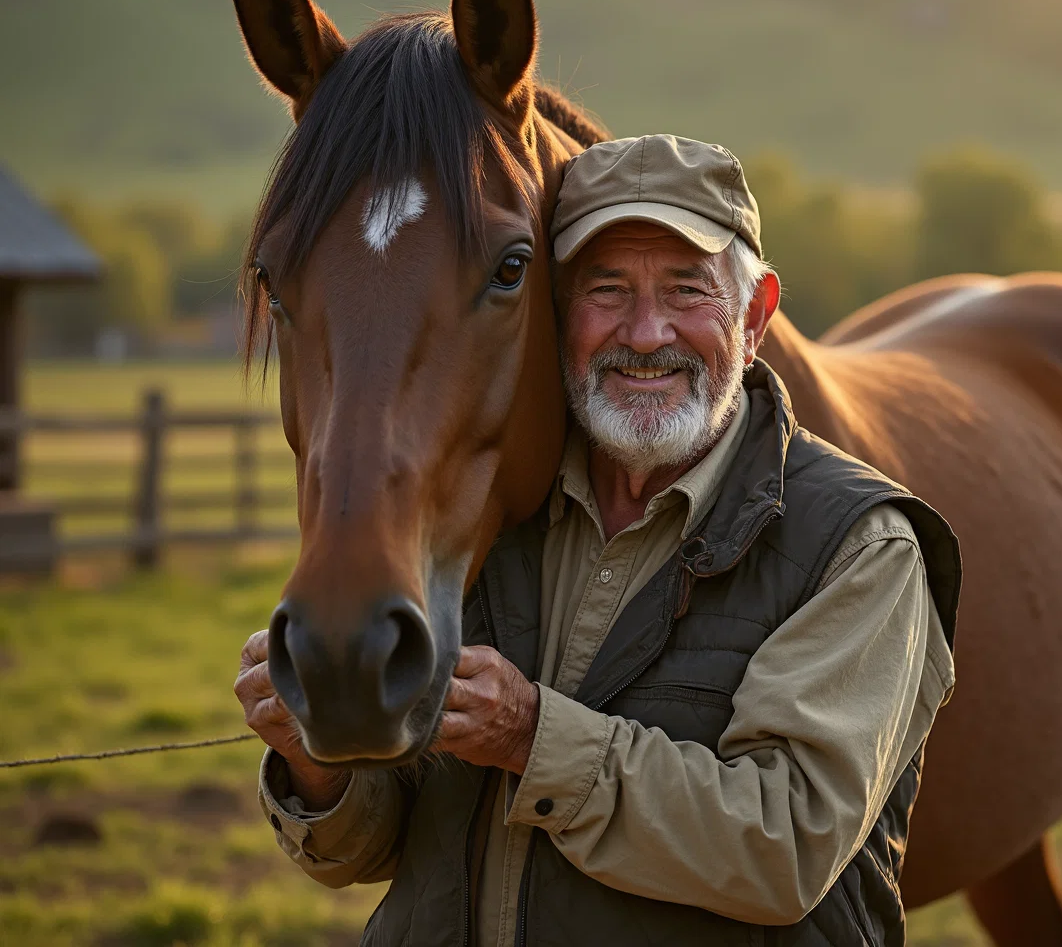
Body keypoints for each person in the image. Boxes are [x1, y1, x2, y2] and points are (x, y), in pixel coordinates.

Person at [234, 134, 960, 946]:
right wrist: (316, 765)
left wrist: (533, 739)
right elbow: (384, 848)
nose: (646, 333)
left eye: (687, 291)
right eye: (606, 290)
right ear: (554, 315)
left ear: (754, 317)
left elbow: (784, 849)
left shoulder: (858, 548)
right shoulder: (495, 523)